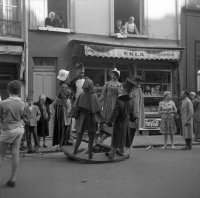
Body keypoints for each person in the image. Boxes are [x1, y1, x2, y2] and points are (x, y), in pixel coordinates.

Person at [0, 80, 25, 187]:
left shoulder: (3, 103)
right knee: (15, 154)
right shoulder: (22, 103)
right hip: (19, 128)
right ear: (19, 91)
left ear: (8, 90)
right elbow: (24, 117)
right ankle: (12, 179)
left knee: (1, 155)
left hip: (8, 130)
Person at [105, 78, 136, 159]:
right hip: (126, 122)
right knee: (123, 136)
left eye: (122, 87)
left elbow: (115, 112)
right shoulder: (131, 101)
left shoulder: (119, 100)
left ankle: (112, 154)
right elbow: (132, 113)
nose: (121, 88)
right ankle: (122, 151)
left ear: (125, 89)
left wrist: (110, 122)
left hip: (118, 122)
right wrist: (133, 119)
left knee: (116, 137)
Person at [73, 78, 102, 159]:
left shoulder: (81, 95)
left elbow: (76, 107)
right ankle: (90, 155)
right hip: (91, 118)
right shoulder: (94, 96)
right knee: (91, 136)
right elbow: (98, 108)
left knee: (79, 135)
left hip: (82, 118)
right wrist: (101, 118)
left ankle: (74, 152)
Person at [52, 69, 72, 148]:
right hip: (63, 108)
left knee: (62, 124)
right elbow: (63, 99)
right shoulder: (64, 86)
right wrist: (68, 109)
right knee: (64, 124)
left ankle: (62, 141)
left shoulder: (61, 86)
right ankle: (63, 141)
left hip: (61, 107)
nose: (69, 78)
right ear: (65, 78)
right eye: (68, 77)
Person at [69, 63, 87, 132]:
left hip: (84, 100)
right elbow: (71, 90)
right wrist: (72, 98)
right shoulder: (73, 81)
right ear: (77, 72)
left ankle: (83, 127)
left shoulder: (86, 80)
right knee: (74, 114)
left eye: (82, 72)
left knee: (83, 114)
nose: (81, 74)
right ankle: (73, 128)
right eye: (80, 72)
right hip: (75, 100)